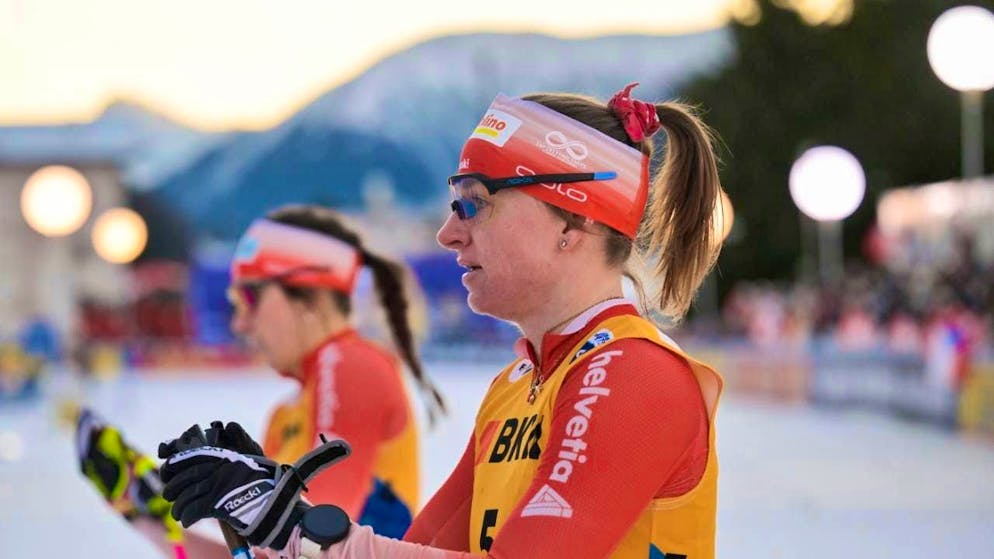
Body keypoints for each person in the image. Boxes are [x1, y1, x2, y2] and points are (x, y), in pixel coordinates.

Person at [158, 83, 726, 559]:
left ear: (572, 223)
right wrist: (266, 521)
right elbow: (409, 547)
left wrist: (292, 527)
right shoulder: (514, 389)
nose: (449, 232)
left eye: (473, 201)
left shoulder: (633, 376)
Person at [76, 204, 445, 557]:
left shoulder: (349, 361)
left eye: (248, 297)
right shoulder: (286, 413)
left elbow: (314, 542)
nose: (240, 323)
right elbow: (277, 553)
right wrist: (144, 512)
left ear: (308, 298)